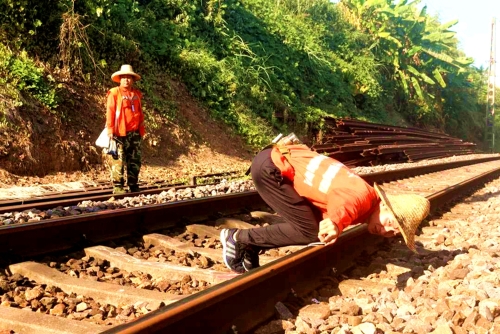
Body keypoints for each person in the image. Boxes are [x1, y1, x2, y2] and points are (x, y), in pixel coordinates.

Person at [220, 137, 430, 273]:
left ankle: (251, 246)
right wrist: (335, 223)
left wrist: (332, 221)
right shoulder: (361, 197)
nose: (385, 231)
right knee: (311, 231)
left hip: (273, 161)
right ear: (385, 206)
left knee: (312, 223)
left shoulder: (364, 195)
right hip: (272, 169)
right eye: (391, 222)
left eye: (393, 233)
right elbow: (346, 203)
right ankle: (238, 239)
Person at [104, 64, 145, 194]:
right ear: (119, 79)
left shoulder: (137, 94)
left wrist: (140, 130)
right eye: (124, 78)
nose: (126, 80)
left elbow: (139, 112)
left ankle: (133, 185)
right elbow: (110, 111)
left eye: (129, 78)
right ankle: (118, 186)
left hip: (135, 133)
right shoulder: (114, 93)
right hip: (119, 133)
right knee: (118, 160)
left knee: (135, 160)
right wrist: (110, 130)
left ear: (133, 80)